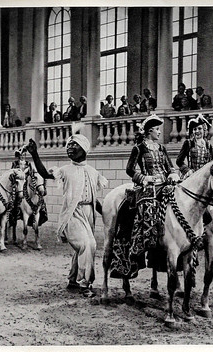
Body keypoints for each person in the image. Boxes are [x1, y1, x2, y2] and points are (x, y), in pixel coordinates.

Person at [25, 133, 108, 298]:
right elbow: (44, 173)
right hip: (72, 214)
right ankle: (85, 284)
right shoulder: (65, 170)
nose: (69, 148)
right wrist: (35, 154)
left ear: (84, 148)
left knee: (81, 249)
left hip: (88, 214)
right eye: (68, 146)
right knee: (88, 244)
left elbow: (94, 199)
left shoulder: (92, 172)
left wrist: (106, 214)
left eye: (74, 145)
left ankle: (72, 280)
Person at [110, 115, 179, 279]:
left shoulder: (161, 148)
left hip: (165, 185)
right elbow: (130, 169)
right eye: (157, 129)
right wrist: (144, 178)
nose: (159, 132)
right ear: (149, 131)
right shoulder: (139, 148)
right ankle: (142, 243)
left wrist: (174, 175)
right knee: (146, 209)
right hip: (147, 187)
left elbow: (170, 167)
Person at [176, 114, 213, 179]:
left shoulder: (208, 145)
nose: (197, 131)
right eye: (195, 129)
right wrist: (187, 170)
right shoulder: (188, 143)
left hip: (204, 177)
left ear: (204, 130)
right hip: (192, 176)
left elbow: (212, 162)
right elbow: (179, 161)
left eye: (199, 129)